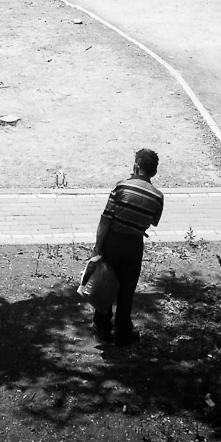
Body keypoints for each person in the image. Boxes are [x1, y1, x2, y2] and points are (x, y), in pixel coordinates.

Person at [92, 148, 164, 346]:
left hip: (113, 242)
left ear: (135, 166)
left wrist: (98, 247)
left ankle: (102, 328)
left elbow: (105, 219)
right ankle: (123, 331)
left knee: (106, 284)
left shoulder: (121, 187)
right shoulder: (157, 197)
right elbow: (154, 221)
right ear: (154, 172)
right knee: (127, 289)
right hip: (134, 246)